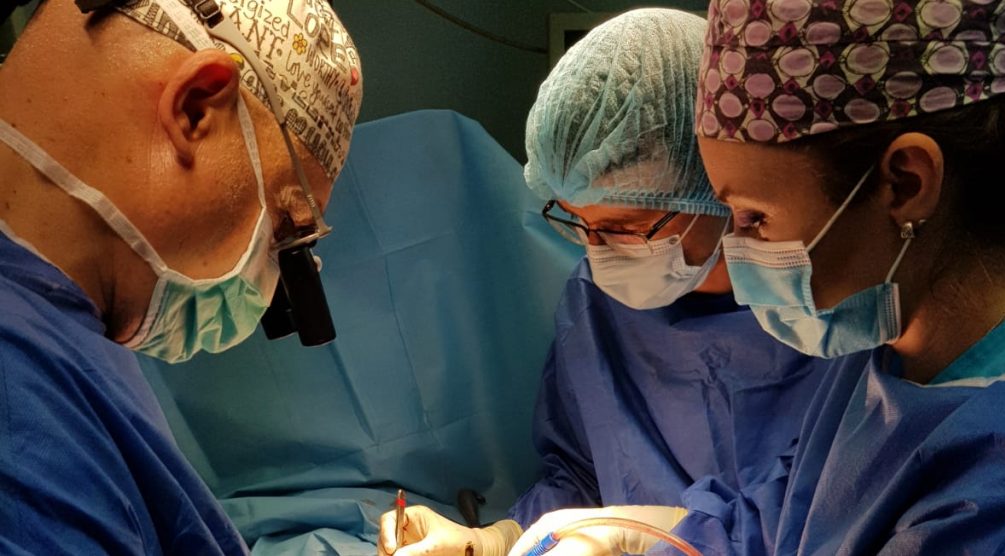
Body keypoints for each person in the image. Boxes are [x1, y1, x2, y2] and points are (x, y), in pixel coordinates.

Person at [515, 0, 1005, 553]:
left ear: (905, 183)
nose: (736, 253)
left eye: (754, 218)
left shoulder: (1001, 485)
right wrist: (648, 540)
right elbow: (780, 520)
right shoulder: (881, 362)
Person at [377, 9, 835, 556]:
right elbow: (581, 476)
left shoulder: (824, 316)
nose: (599, 254)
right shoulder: (597, 305)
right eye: (579, 223)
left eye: (624, 227)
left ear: (715, 187)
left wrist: (663, 539)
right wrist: (497, 540)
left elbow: (832, 512)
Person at [0, 0, 361, 553]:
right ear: (194, 110)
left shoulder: (75, 320)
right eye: (284, 231)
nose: (266, 287)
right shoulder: (19, 409)